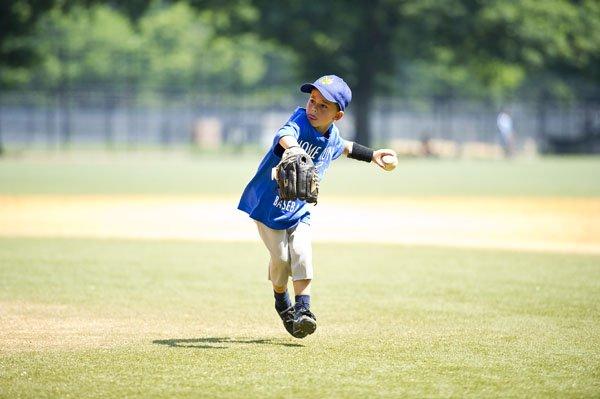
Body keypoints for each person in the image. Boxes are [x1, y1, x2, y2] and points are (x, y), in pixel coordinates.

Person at [238, 75, 396, 339]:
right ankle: (281, 300)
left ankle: (303, 310)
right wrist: (295, 149)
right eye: (313, 100)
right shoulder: (300, 121)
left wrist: (373, 155)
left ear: (338, 116)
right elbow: (284, 134)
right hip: (267, 206)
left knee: (301, 252)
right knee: (281, 260)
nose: (314, 108)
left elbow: (343, 147)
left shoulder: (331, 137)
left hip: (299, 210)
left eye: (324, 106)